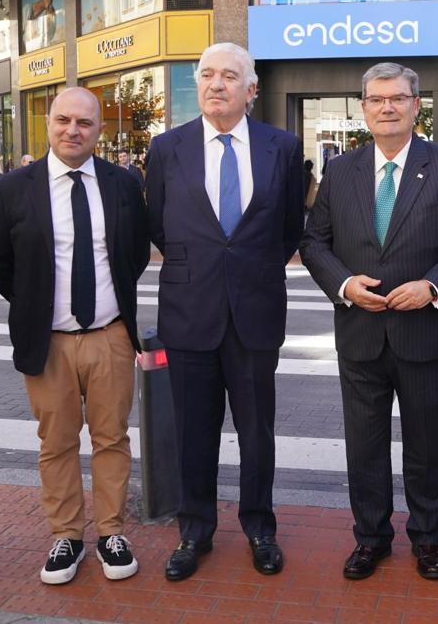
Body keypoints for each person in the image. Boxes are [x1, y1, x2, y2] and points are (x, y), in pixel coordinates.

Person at [300, 62, 438, 581]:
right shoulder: (341, 171)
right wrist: (344, 284)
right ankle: (371, 539)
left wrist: (433, 286)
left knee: (426, 446)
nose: (387, 107)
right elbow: (314, 241)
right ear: (363, 107)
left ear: (416, 104)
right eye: (377, 99)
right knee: (364, 447)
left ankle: (428, 539)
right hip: (360, 333)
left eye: (398, 98)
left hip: (425, 334)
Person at [146, 43, 303, 582]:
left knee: (257, 431)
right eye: (208, 75)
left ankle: (260, 526)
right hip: (190, 315)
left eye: (230, 76)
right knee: (194, 431)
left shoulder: (282, 147)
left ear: (251, 89)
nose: (217, 84)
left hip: (256, 313)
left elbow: (288, 231)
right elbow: (158, 227)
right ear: (197, 84)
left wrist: (247, 269)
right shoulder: (166, 149)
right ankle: (195, 530)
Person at [0, 88, 150, 585]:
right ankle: (66, 537)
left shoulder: (122, 183)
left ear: (100, 130)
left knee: (111, 438)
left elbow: (135, 253)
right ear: (49, 124)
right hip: (47, 339)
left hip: (110, 336)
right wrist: (33, 302)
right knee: (55, 442)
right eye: (63, 121)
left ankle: (111, 533)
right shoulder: (15, 187)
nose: (73, 130)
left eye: (85, 123)